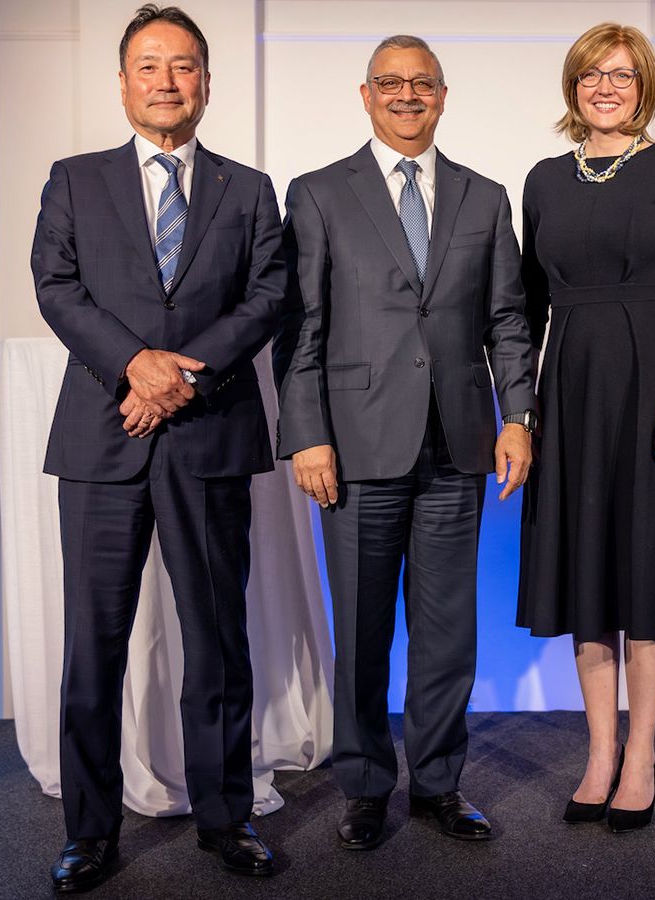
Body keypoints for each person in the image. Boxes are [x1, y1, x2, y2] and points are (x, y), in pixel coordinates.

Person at [32, 4, 286, 889]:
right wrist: (133, 366)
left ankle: (226, 818)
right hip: (103, 441)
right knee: (94, 648)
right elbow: (56, 287)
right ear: (124, 81)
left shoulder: (248, 188)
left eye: (184, 67)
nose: (167, 81)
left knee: (216, 642)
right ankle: (90, 832)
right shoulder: (75, 178)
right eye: (150, 66)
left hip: (209, 435)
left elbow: (268, 295)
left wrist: (185, 375)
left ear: (207, 81)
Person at [274, 35, 537, 850]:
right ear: (365, 95)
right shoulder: (317, 195)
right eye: (391, 83)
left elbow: (507, 321)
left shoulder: (484, 198)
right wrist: (308, 436)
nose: (407, 95)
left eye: (422, 83)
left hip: (458, 446)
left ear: (444, 95)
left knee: (448, 630)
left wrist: (519, 416)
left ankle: (438, 784)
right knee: (360, 632)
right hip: (353, 451)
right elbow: (301, 328)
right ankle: (363, 786)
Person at [516, 22, 655, 833]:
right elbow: (528, 307)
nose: (605, 88)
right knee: (589, 577)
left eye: (621, 76)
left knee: (643, 575)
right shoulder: (542, 180)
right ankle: (599, 754)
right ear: (572, 88)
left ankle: (642, 755)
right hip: (573, 396)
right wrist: (524, 412)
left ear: (644, 86)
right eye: (591, 76)